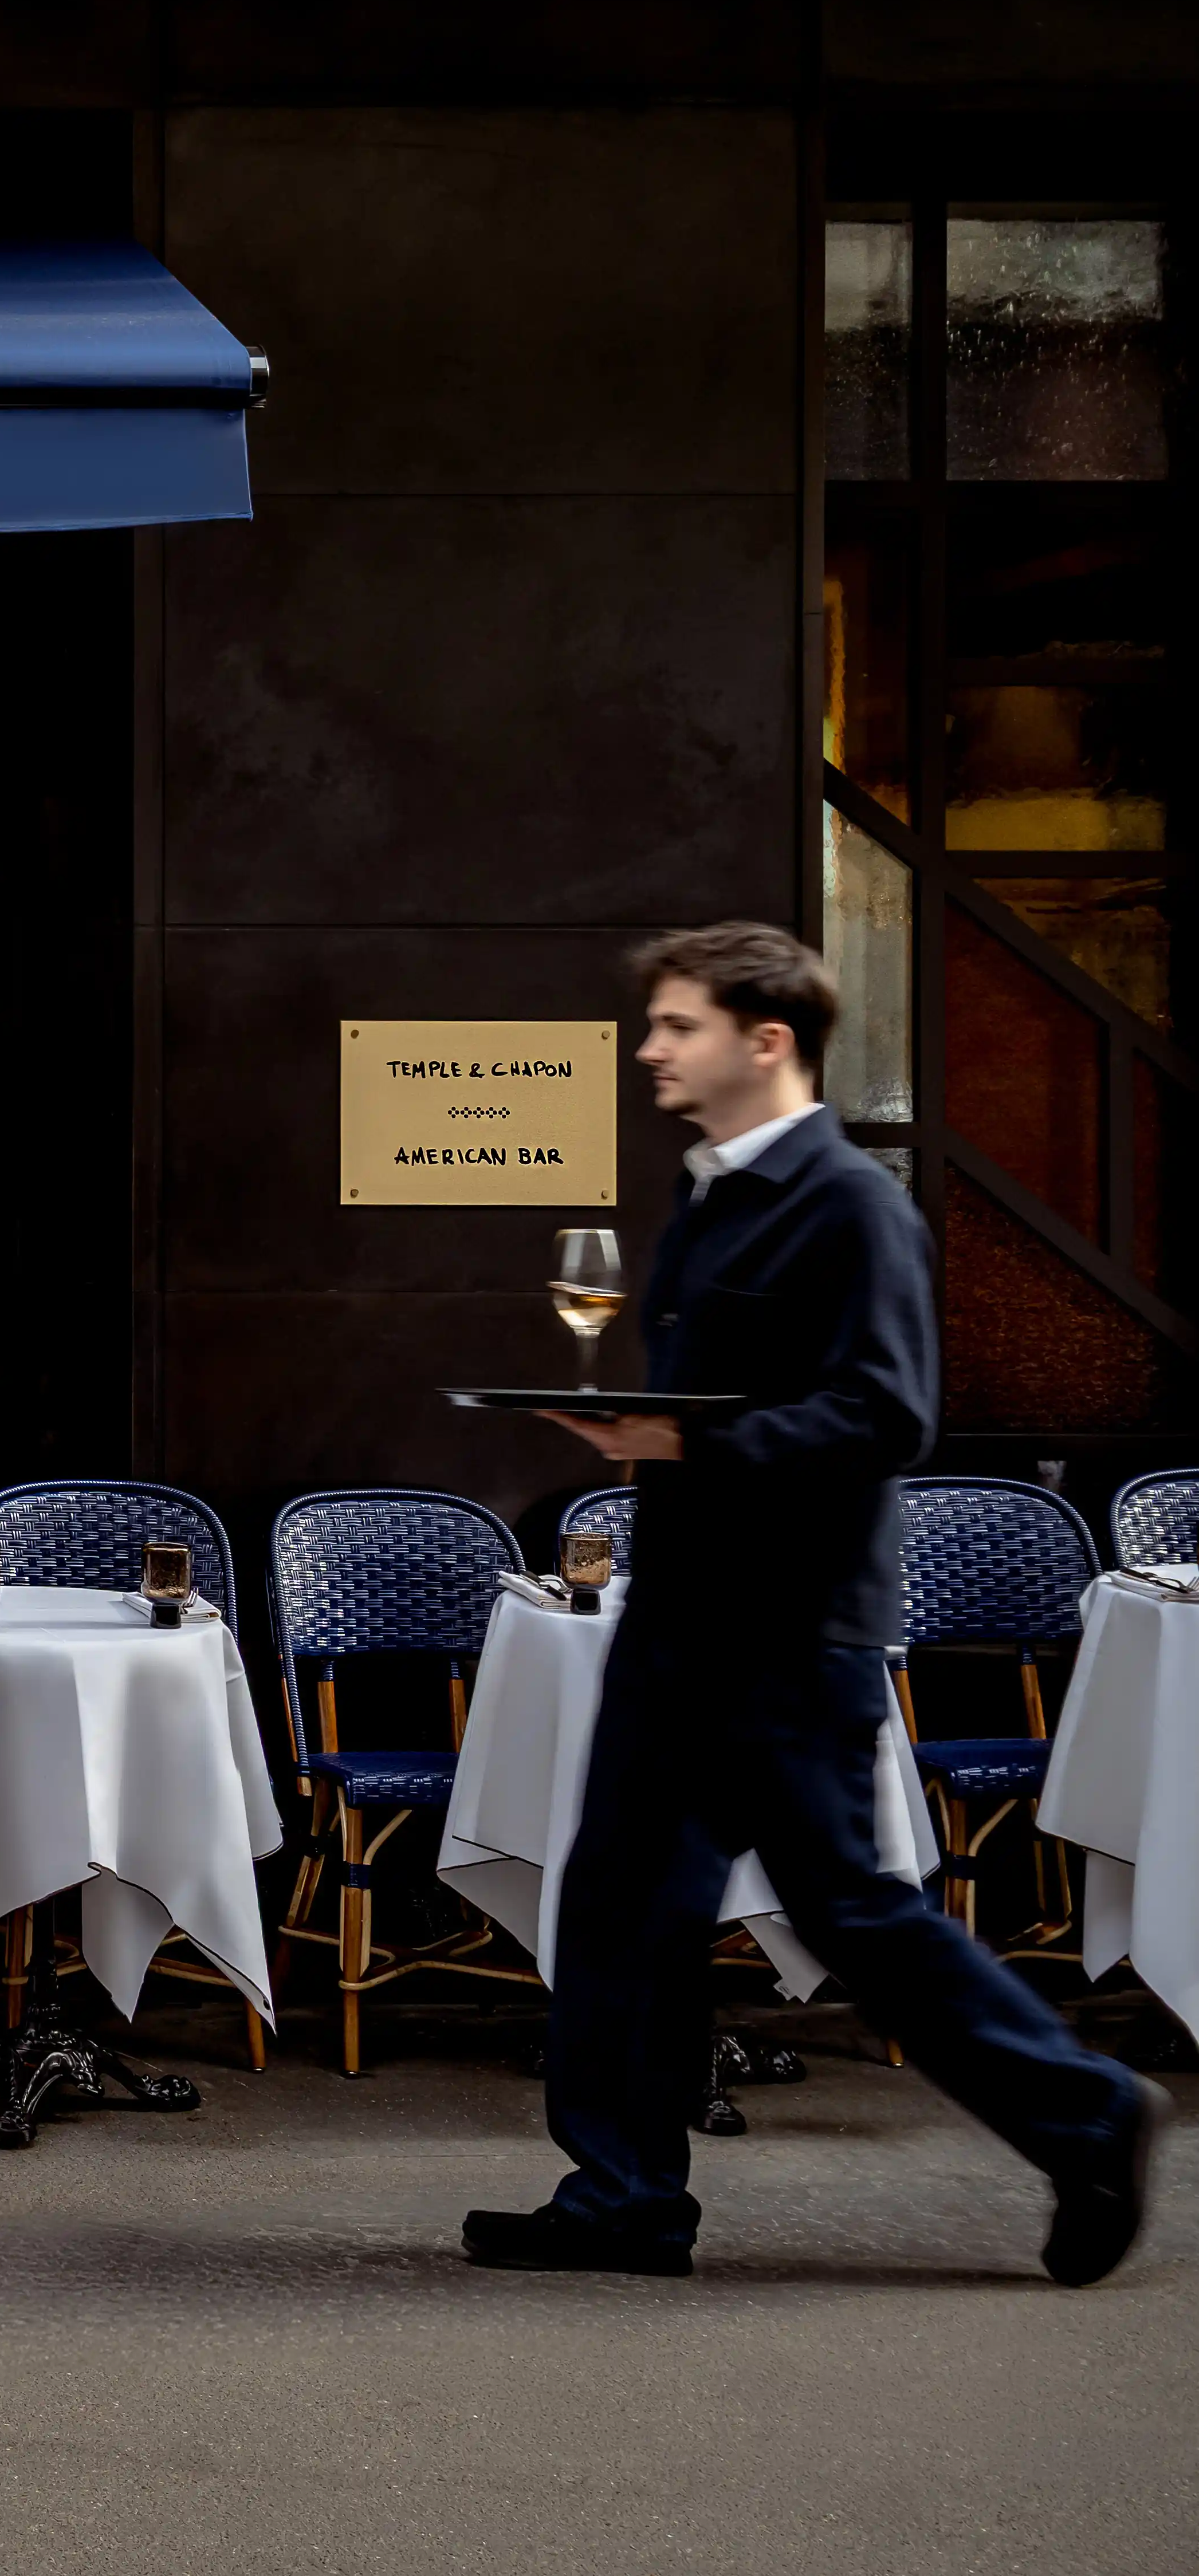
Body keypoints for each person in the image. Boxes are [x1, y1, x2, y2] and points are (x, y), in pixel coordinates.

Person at [463, 924, 1164, 2280]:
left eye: (678, 1025)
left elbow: (888, 1413)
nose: (652, 1048)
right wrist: (648, 1432)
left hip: (790, 1628)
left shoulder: (850, 1202)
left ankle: (1090, 2107)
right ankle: (623, 2199)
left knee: (850, 1907)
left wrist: (681, 1444)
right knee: (619, 1901)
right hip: (682, 1616)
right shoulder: (714, 1194)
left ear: (765, 1040)